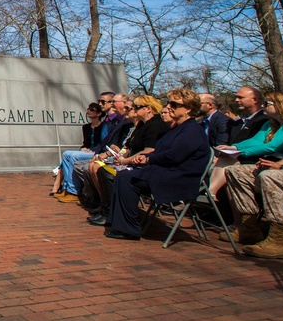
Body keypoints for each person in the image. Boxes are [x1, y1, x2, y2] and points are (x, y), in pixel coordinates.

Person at [223, 84, 283, 259]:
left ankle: (279, 240)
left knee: (272, 177)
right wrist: (273, 164)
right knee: (236, 171)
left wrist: (282, 168)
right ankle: (249, 227)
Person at [104, 88, 210, 240]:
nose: (169, 107)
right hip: (166, 171)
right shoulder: (177, 129)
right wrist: (148, 157)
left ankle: (129, 229)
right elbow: (162, 150)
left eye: (174, 104)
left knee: (127, 178)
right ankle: (117, 222)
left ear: (188, 108)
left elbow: (174, 156)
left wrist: (149, 159)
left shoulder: (192, 130)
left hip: (181, 177)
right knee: (123, 175)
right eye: (169, 103)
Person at [86, 96, 169, 226]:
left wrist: (125, 161)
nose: (133, 110)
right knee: (101, 169)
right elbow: (129, 147)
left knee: (107, 173)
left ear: (148, 109)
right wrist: (119, 156)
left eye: (136, 107)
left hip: (147, 166)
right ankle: (107, 208)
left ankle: (110, 212)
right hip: (133, 162)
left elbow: (148, 151)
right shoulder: (143, 125)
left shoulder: (156, 124)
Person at [210, 92, 283, 198]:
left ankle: (212, 192)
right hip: (269, 160)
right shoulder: (270, 124)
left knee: (232, 168)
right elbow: (256, 141)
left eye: (266, 103)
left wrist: (240, 153)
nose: (262, 106)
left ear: (280, 105)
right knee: (227, 160)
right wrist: (233, 147)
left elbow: (272, 147)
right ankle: (212, 192)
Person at [52, 101, 104, 196]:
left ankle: (68, 189)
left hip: (96, 152)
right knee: (67, 155)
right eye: (88, 109)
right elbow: (85, 143)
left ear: (99, 113)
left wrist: (93, 150)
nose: (89, 111)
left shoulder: (103, 126)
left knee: (67, 156)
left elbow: (103, 143)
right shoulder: (86, 127)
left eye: (92, 110)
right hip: (87, 151)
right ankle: (66, 188)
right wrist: (84, 148)